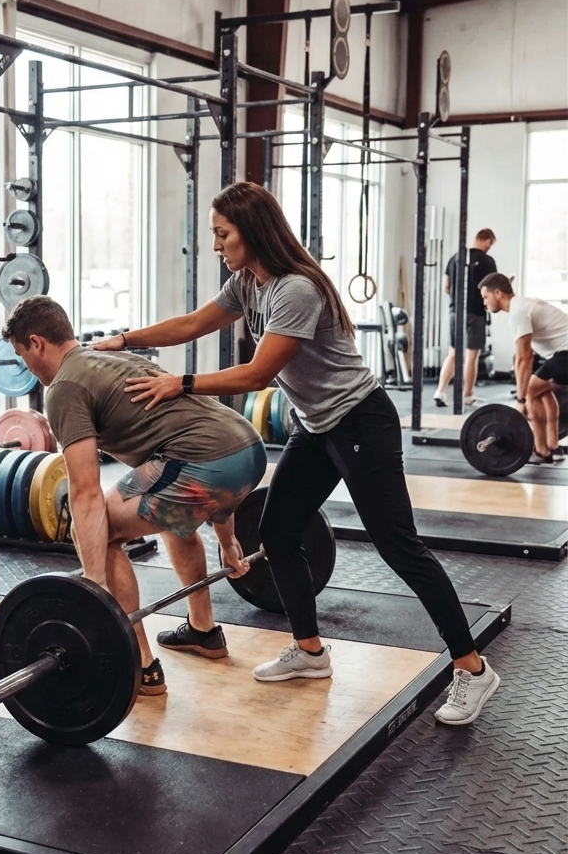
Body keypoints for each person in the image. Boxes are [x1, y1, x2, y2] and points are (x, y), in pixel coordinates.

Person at [95, 182, 500, 727]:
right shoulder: (248, 282)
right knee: (279, 533)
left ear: (252, 232)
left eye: (223, 234)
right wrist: (124, 341)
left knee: (399, 547)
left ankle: (472, 669)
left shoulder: (296, 289)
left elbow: (258, 374)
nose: (217, 245)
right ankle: (310, 652)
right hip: (319, 427)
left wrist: (181, 383)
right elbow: (192, 324)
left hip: (361, 421)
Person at [1, 295, 266, 696]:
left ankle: (139, 666)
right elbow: (207, 442)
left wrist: (95, 589)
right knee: (171, 520)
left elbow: (86, 493)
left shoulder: (64, 388)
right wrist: (228, 543)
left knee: (100, 527)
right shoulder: (114, 361)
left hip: (205, 461)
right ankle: (203, 630)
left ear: (37, 343)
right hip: (248, 449)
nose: (27, 367)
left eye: (23, 356)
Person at [479, 273, 568, 465]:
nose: (484, 303)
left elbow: (524, 357)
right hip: (560, 355)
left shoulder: (518, 310)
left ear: (498, 293)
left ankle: (542, 451)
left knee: (531, 391)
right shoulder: (522, 305)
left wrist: (521, 399)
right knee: (542, 391)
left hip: (565, 354)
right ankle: (554, 446)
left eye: (485, 297)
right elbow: (525, 356)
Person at [434, 228, 497, 409]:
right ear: (485, 240)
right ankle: (467, 395)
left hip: (456, 312)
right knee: (471, 355)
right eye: (490, 244)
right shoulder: (487, 261)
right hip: (476, 312)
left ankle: (440, 391)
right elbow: (492, 290)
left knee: (453, 353)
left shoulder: (455, 258)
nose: (489, 247)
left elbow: (446, 287)